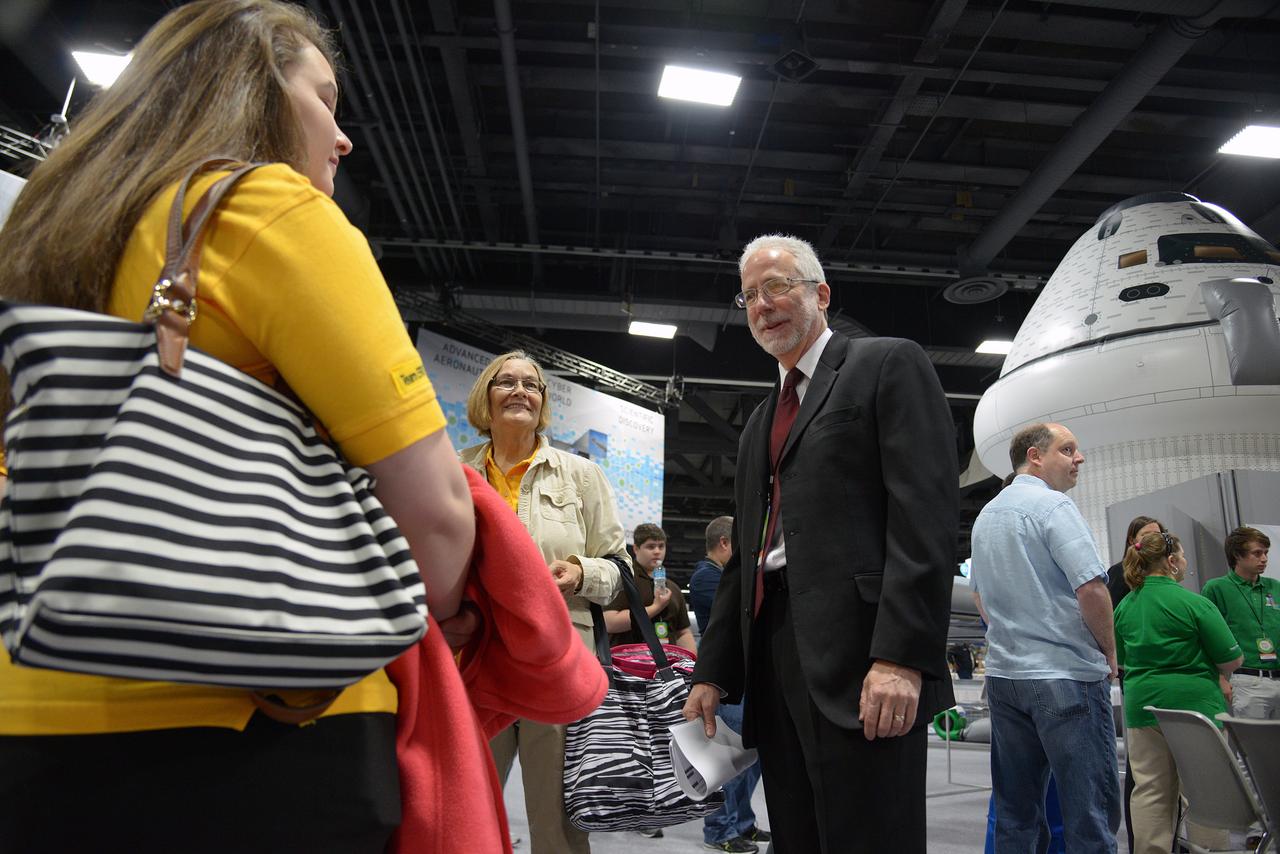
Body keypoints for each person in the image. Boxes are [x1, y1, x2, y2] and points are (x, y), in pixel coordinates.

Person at [0, 2, 476, 850]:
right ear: (259, 86)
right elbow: (435, 511)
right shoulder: (263, 207)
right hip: (258, 728)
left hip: (33, 716)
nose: (344, 137)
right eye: (326, 97)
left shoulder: (48, 237)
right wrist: (452, 614)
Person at [684, 233, 958, 854]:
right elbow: (744, 560)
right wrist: (715, 672)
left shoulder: (886, 364)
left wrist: (900, 657)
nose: (762, 304)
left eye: (777, 286)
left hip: (865, 655)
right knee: (797, 833)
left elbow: (925, 519)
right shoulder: (759, 422)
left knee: (870, 836)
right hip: (775, 655)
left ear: (821, 294)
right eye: (750, 294)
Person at [459, 350, 625, 854]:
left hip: (553, 661)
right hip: (471, 659)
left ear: (543, 402)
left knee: (556, 821)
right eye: (506, 382)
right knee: (463, 806)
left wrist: (580, 573)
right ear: (485, 398)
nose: (521, 391)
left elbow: (620, 569)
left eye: (532, 385)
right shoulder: (451, 471)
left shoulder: (579, 475)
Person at [969, 422, 1121, 853]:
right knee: (1089, 815)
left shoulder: (986, 517)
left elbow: (980, 596)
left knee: (1016, 815)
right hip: (1065, 678)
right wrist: (1109, 651)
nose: (1079, 458)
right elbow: (1092, 588)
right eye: (1067, 449)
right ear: (1034, 456)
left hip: (1005, 678)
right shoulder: (1054, 508)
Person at [1114, 529, 1242, 854]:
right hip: (1195, 710)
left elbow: (1122, 660)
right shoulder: (1194, 603)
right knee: (1204, 792)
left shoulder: (1126, 606)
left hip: (1142, 709)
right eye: (1182, 556)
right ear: (1171, 562)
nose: (1185, 562)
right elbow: (1231, 657)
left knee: (1150, 791)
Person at [688, 516, 770, 854]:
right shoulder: (706, 577)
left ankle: (743, 823)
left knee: (752, 758)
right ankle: (720, 829)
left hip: (748, 677)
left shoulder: (719, 576)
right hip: (728, 681)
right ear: (726, 543)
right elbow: (742, 613)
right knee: (729, 761)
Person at [1106, 514, 1166, 852]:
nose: (1156, 541)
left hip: (1166, 680)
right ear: (1133, 541)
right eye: (1148, 536)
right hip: (1139, 679)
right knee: (1142, 765)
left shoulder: (1168, 579)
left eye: (1160, 535)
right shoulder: (1119, 576)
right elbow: (1115, 627)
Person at [1201, 526, 1278, 719]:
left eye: (1266, 553)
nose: (1264, 559)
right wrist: (1220, 678)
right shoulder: (1216, 588)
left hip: (1278, 674)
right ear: (1237, 555)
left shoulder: (1275, 587)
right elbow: (1206, 638)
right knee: (1252, 745)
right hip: (1246, 681)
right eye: (1257, 553)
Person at [605, 523, 696, 653]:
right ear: (636, 549)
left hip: (669, 667)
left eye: (661, 546)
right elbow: (610, 622)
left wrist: (692, 664)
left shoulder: (673, 587)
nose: (657, 551)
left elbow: (683, 632)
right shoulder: (624, 580)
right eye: (651, 546)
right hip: (628, 665)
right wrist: (655, 607)